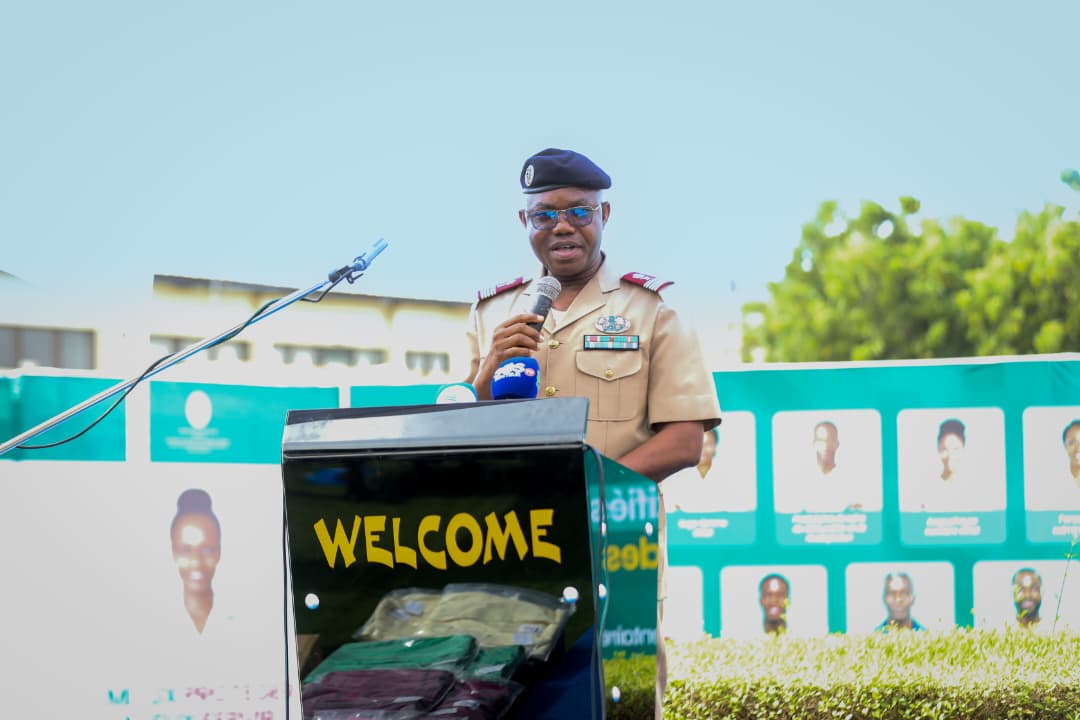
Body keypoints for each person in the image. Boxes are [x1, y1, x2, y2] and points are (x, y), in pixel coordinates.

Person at [466, 147, 722, 717]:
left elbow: (685, 440)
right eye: (545, 214)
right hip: (511, 542)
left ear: (606, 216)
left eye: (580, 212)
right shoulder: (492, 312)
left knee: (612, 700)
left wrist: (579, 491)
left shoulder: (653, 310)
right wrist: (484, 378)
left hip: (614, 542)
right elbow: (461, 431)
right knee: (508, 697)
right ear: (524, 223)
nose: (562, 226)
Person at [171, 488, 222, 634]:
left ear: (219, 551)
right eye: (185, 550)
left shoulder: (242, 617)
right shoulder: (155, 619)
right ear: (173, 552)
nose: (197, 562)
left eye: (207, 550)